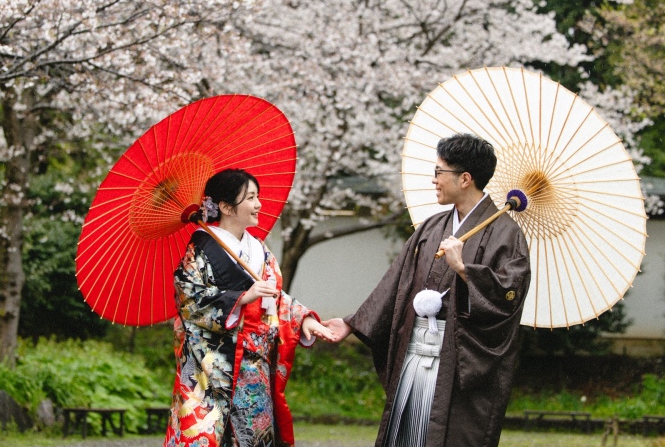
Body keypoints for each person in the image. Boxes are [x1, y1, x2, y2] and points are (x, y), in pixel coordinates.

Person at [323, 133, 531, 447]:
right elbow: (397, 282)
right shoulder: (432, 227)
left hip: (459, 363)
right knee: (407, 435)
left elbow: (508, 296)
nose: (433, 180)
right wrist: (352, 324)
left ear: (464, 178)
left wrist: (465, 270)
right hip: (415, 356)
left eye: (439, 172)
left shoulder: (506, 235)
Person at [164, 168, 333, 447]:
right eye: (251, 198)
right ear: (226, 207)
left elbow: (275, 296)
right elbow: (189, 299)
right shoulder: (201, 250)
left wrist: (304, 320)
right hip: (211, 372)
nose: (259, 204)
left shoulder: (259, 249)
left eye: (258, 196)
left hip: (254, 371)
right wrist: (240, 297)